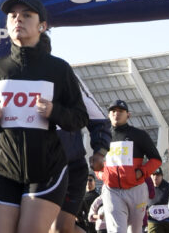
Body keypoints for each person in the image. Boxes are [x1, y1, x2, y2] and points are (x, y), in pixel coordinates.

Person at [0, 0, 89, 233]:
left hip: (45, 169)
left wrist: (54, 111)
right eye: (13, 16)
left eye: (26, 15)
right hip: (2, 167)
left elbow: (79, 117)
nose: (18, 20)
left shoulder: (58, 69)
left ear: (42, 26)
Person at [51, 76, 112, 233]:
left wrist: (100, 151)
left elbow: (99, 120)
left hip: (69, 167)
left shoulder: (65, 75)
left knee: (60, 228)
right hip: (26, 169)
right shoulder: (7, 73)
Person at [98, 99, 162, 233]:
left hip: (136, 190)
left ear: (128, 115)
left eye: (121, 111)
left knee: (135, 230)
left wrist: (141, 172)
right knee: (116, 230)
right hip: (112, 190)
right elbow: (95, 162)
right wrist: (102, 175)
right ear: (109, 115)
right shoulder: (101, 136)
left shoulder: (139, 135)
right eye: (113, 111)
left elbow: (156, 160)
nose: (116, 114)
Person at [149, 167, 169, 233]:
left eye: (158, 175)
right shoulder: (146, 188)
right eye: (153, 175)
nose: (155, 177)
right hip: (153, 221)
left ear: (162, 176)